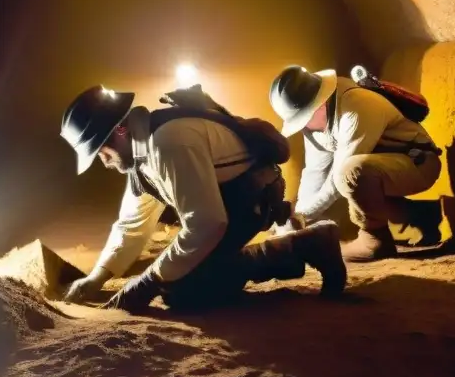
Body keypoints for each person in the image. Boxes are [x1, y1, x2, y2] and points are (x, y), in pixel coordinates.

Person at [59, 85, 347, 312]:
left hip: (252, 198)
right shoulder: (141, 152)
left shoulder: (169, 142)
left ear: (119, 130)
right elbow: (132, 223)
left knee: (184, 290)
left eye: (100, 150)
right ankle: (291, 250)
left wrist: (148, 282)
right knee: (178, 271)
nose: (102, 160)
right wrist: (97, 277)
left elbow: (208, 222)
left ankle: (302, 246)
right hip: (227, 201)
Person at [269, 65, 442, 262]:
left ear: (321, 102)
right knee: (356, 184)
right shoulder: (315, 123)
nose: (304, 125)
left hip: (418, 164)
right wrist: (296, 219)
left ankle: (374, 240)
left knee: (350, 174)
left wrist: (300, 218)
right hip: (381, 168)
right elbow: (315, 172)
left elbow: (337, 180)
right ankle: (424, 215)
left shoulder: (356, 105)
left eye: (304, 117)